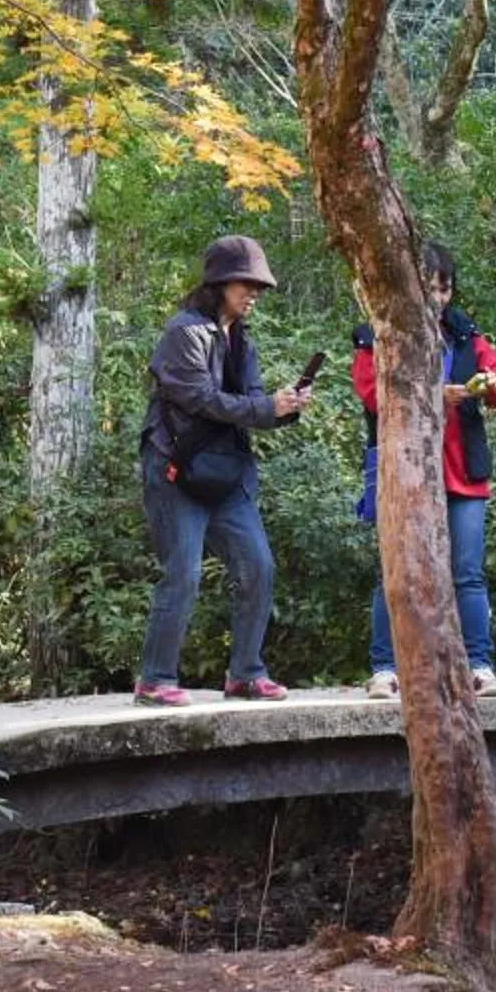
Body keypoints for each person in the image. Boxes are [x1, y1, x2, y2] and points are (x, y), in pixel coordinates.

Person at [134, 234, 312, 707]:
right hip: (176, 470)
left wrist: (284, 407)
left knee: (258, 566)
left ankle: (246, 675)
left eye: (259, 287)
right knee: (183, 573)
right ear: (218, 283)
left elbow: (250, 403)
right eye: (245, 284)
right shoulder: (184, 332)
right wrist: (264, 406)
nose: (254, 293)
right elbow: (202, 400)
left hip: (226, 472)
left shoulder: (241, 340)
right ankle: (155, 680)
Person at [356, 241, 496, 701]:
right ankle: (385, 669)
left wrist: (492, 386)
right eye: (429, 288)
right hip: (404, 471)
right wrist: (434, 395)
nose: (437, 298)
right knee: (397, 571)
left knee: (467, 573)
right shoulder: (377, 335)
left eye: (444, 289)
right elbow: (373, 393)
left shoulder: (467, 336)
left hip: (462, 470)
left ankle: (480, 666)